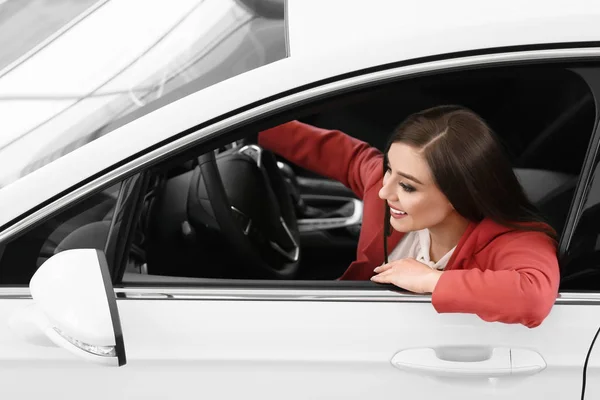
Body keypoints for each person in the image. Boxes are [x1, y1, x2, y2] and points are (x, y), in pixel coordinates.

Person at [258, 105, 560, 328]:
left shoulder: (516, 239)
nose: (382, 192)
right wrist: (252, 124)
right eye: (389, 169)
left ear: (460, 194)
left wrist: (432, 280)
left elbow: (532, 295)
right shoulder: (385, 186)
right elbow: (341, 154)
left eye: (407, 186)